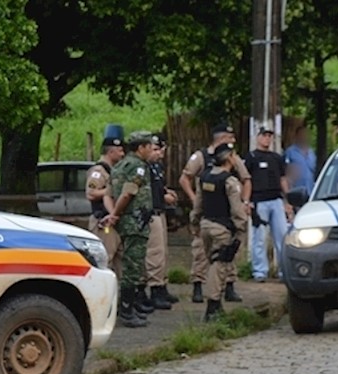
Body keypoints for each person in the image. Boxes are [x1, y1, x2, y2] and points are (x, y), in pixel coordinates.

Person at [179, 123, 252, 303]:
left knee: (227, 256)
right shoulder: (201, 157)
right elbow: (185, 178)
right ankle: (200, 287)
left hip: (224, 215)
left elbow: (246, 179)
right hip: (210, 214)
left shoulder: (233, 159)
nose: (233, 140)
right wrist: (195, 199)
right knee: (202, 254)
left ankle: (228, 287)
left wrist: (244, 201)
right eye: (230, 137)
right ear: (221, 139)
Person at [103, 131, 159, 328]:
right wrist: (116, 214)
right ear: (141, 148)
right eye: (149, 147)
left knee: (130, 264)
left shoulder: (118, 166)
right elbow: (128, 193)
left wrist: (112, 215)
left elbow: (108, 194)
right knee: (132, 267)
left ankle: (131, 306)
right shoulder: (138, 167)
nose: (151, 150)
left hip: (126, 221)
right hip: (135, 222)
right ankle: (126, 310)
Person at [190, 142, 248, 321]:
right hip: (222, 229)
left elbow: (198, 204)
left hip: (206, 226)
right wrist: (241, 229)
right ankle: (213, 306)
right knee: (220, 266)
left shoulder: (204, 177)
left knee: (213, 264)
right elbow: (237, 210)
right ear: (230, 158)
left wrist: (194, 222)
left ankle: (217, 304)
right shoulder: (230, 181)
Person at [243, 125, 291, 281]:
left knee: (282, 237)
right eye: (264, 135)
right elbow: (245, 180)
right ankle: (259, 271)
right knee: (259, 238)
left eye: (270, 136)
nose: (267, 138)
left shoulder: (277, 158)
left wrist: (288, 200)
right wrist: (247, 201)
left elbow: (283, 179)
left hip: (276, 200)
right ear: (258, 137)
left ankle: (285, 271)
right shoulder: (251, 157)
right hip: (258, 201)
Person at [144, 135, 179, 309]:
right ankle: (155, 288)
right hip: (151, 212)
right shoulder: (144, 168)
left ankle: (162, 285)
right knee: (154, 253)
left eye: (160, 149)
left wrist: (167, 193)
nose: (159, 153)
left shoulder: (157, 166)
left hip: (160, 210)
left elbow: (159, 187)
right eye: (155, 149)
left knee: (162, 251)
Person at [85, 136, 125, 280]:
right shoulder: (98, 171)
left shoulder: (113, 170)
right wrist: (111, 191)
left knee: (120, 260)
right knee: (104, 260)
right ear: (111, 152)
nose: (122, 154)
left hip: (113, 221)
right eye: (120, 151)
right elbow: (91, 193)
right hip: (103, 222)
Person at [284, 125, 317, 195]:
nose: (303, 137)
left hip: (311, 190)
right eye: (301, 134)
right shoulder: (290, 152)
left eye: (305, 135)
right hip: (297, 191)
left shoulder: (311, 152)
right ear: (296, 136)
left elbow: (314, 168)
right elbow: (285, 173)